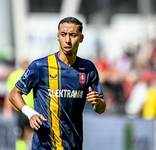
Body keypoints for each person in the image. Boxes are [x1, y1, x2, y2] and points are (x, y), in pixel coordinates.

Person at [9, 17, 106, 150]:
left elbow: (100, 108)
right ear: (58, 37)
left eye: (72, 35)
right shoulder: (40, 66)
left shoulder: (88, 68)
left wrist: (97, 102)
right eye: (63, 34)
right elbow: (14, 94)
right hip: (44, 145)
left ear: (81, 38)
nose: (67, 40)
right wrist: (30, 113)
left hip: (73, 144)